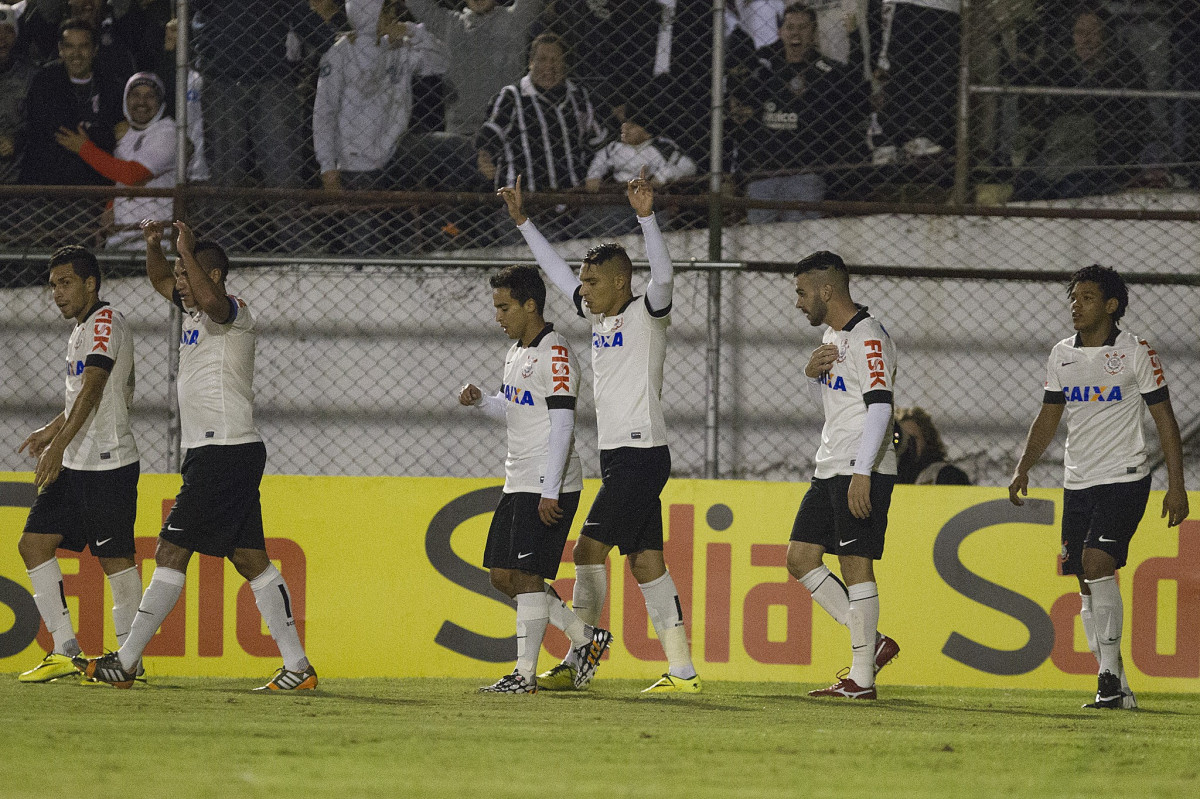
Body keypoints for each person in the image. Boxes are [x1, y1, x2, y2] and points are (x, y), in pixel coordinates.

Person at [77, 219, 317, 691]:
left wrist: (184, 249)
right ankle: (298, 667)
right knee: (251, 559)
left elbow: (209, 300)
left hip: (223, 451)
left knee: (170, 550)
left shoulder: (234, 311)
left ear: (213, 276)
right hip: (217, 452)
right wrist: (155, 247)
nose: (178, 284)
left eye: (187, 274)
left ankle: (125, 661)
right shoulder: (191, 311)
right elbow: (160, 280)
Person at [498, 168, 701, 694]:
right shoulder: (599, 319)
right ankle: (683, 672)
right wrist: (523, 222)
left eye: (591, 282)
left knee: (588, 550)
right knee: (646, 561)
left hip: (642, 454)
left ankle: (578, 658)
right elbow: (553, 271)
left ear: (619, 282)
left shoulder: (646, 314)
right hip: (619, 457)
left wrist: (646, 217)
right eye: (581, 283)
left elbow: (664, 277)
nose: (581, 291)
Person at [1008, 264, 1188, 710]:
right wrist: (1023, 466)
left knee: (1095, 560)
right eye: (1073, 297)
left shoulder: (1134, 353)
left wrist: (1176, 485)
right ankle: (1118, 688)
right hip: (1078, 482)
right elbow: (1049, 415)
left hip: (1125, 477)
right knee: (1086, 582)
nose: (1076, 305)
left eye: (1087, 297)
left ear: (1111, 306)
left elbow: (1164, 419)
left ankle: (1106, 676)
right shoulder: (1061, 355)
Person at [456, 264, 612, 694]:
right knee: (502, 577)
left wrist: (549, 489)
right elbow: (514, 409)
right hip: (517, 479)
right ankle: (585, 638)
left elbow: (563, 425)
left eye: (504, 307)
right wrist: (482, 401)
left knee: (526, 577)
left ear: (530, 305)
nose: (498, 316)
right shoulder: (517, 352)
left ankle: (523, 674)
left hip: (549, 483)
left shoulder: (556, 353)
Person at [15, 245, 142, 685]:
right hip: (77, 463)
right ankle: (67, 652)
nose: (57, 293)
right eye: (52, 285)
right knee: (33, 544)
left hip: (108, 463)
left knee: (116, 561)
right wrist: (52, 432)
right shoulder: (81, 329)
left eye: (65, 283)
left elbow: (94, 389)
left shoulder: (105, 322)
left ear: (91, 283)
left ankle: (131, 661)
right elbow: (78, 397)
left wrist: (57, 447)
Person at [788, 250, 900, 700]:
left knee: (856, 565)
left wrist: (862, 472)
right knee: (800, 557)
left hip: (859, 467)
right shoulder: (835, 335)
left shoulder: (869, 336)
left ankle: (862, 679)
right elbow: (850, 397)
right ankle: (872, 644)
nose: (797, 302)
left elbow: (880, 406)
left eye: (801, 292)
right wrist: (812, 373)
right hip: (831, 463)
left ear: (826, 291)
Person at [734, 2, 870, 223]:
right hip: (762, 174)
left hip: (806, 174)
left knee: (804, 247)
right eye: (790, 27)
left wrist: (853, 38)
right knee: (759, 246)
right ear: (780, 32)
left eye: (803, 27)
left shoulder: (827, 73)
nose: (795, 33)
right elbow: (740, 102)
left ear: (814, 33)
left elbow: (858, 96)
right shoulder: (763, 71)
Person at [54, 71, 175, 250]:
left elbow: (132, 174)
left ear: (161, 102)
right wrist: (110, 206)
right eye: (135, 95)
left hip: (156, 244)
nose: (141, 102)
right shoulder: (126, 134)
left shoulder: (168, 133)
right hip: (120, 240)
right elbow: (119, 178)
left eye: (150, 96)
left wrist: (84, 148)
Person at [476, 32, 606, 195]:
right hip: (522, 201)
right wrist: (485, 159)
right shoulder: (512, 97)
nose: (549, 66)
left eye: (556, 60)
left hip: (573, 200)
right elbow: (489, 136)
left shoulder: (579, 97)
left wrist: (594, 174)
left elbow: (599, 143)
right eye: (542, 59)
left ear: (565, 63)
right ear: (531, 62)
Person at [406, 0, 542, 139]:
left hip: (507, 129)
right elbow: (417, 4)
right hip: (461, 131)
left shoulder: (515, 20)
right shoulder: (449, 24)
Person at [582, 102, 696, 235]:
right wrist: (593, 176)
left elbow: (688, 165)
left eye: (633, 126)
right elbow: (600, 160)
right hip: (618, 198)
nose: (626, 129)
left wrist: (661, 176)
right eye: (625, 125)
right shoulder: (615, 147)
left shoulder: (661, 148)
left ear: (647, 133)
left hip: (648, 201)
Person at [0, 3, 35, 185]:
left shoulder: (30, 76)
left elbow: (38, 123)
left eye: (8, 31)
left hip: (16, 186)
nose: (1, 38)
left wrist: (17, 140)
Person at [894, 406, 970, 485]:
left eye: (912, 438)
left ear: (927, 440)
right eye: (901, 439)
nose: (906, 444)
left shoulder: (945, 475)